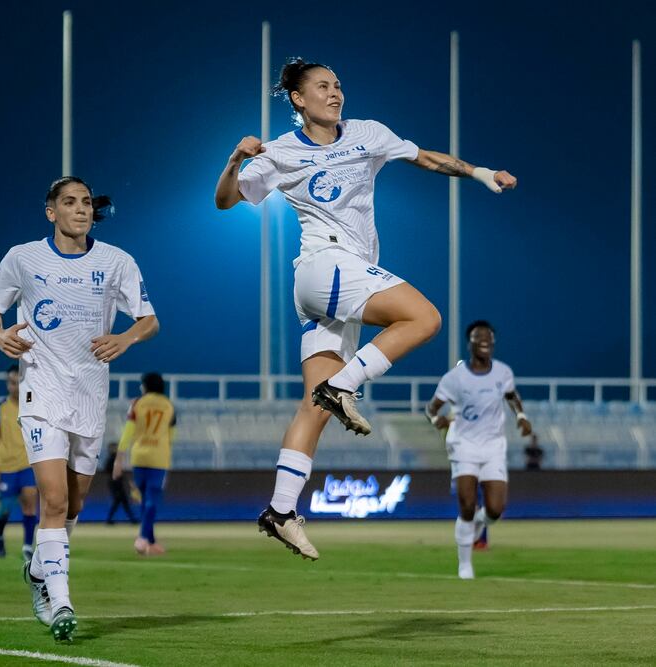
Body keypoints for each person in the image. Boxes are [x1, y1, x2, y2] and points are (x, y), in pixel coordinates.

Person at [214, 58, 517, 559]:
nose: (335, 94)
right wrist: (234, 160)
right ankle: (343, 386)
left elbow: (424, 158)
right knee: (425, 317)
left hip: (331, 285)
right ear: (298, 98)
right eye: (322, 87)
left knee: (312, 408)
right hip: (325, 266)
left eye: (338, 86)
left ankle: (281, 510)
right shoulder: (279, 151)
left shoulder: (367, 133)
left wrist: (479, 172)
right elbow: (227, 200)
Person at [0, 176, 159, 641]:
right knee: (54, 499)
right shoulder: (23, 258)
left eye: (85, 202)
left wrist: (125, 337)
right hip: (41, 393)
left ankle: (40, 569)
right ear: (51, 212)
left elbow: (150, 319)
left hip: (90, 397)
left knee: (74, 502)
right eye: (69, 202)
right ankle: (58, 601)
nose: (80, 209)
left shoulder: (117, 262)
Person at [426, 320, 531, 579]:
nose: (484, 341)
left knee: (495, 509)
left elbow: (511, 395)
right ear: (470, 342)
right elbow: (432, 408)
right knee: (467, 503)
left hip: (494, 446)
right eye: (478, 337)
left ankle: (481, 522)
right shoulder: (455, 378)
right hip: (464, 445)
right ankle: (465, 565)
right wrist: (436, 420)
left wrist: (521, 416)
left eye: (488, 337)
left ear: (493, 343)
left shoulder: (503, 373)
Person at [113, 372, 176, 556]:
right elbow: (171, 436)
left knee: (143, 500)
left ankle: (151, 541)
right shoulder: (168, 406)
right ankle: (142, 539)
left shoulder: (137, 403)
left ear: (146, 385)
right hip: (159, 457)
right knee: (152, 500)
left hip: (139, 456)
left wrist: (119, 458)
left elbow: (128, 432)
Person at [0, 364, 39, 559]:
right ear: (7, 384)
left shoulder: (33, 405)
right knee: (4, 508)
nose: (15, 387)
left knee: (29, 502)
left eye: (18, 382)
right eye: (11, 383)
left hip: (27, 465)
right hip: (6, 466)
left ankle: (27, 546)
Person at [103, 442, 137, 524]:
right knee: (120, 501)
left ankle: (131, 519)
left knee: (122, 501)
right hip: (115, 483)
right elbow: (109, 470)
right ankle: (110, 519)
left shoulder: (114, 459)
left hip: (117, 482)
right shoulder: (112, 459)